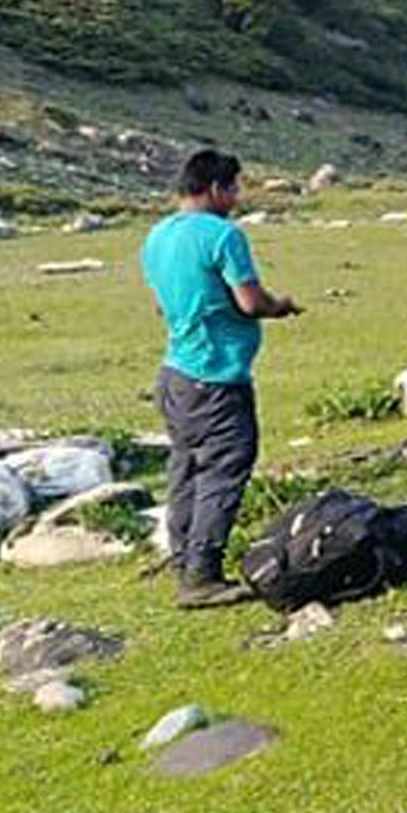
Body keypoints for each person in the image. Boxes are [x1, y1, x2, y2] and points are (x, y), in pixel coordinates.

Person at [139, 148, 302, 607]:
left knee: (185, 468)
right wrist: (280, 306)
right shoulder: (223, 236)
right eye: (234, 187)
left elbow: (161, 303)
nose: (237, 196)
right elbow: (249, 302)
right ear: (215, 189)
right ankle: (201, 575)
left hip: (175, 372)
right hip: (215, 374)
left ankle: (181, 558)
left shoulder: (157, 235)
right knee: (225, 467)